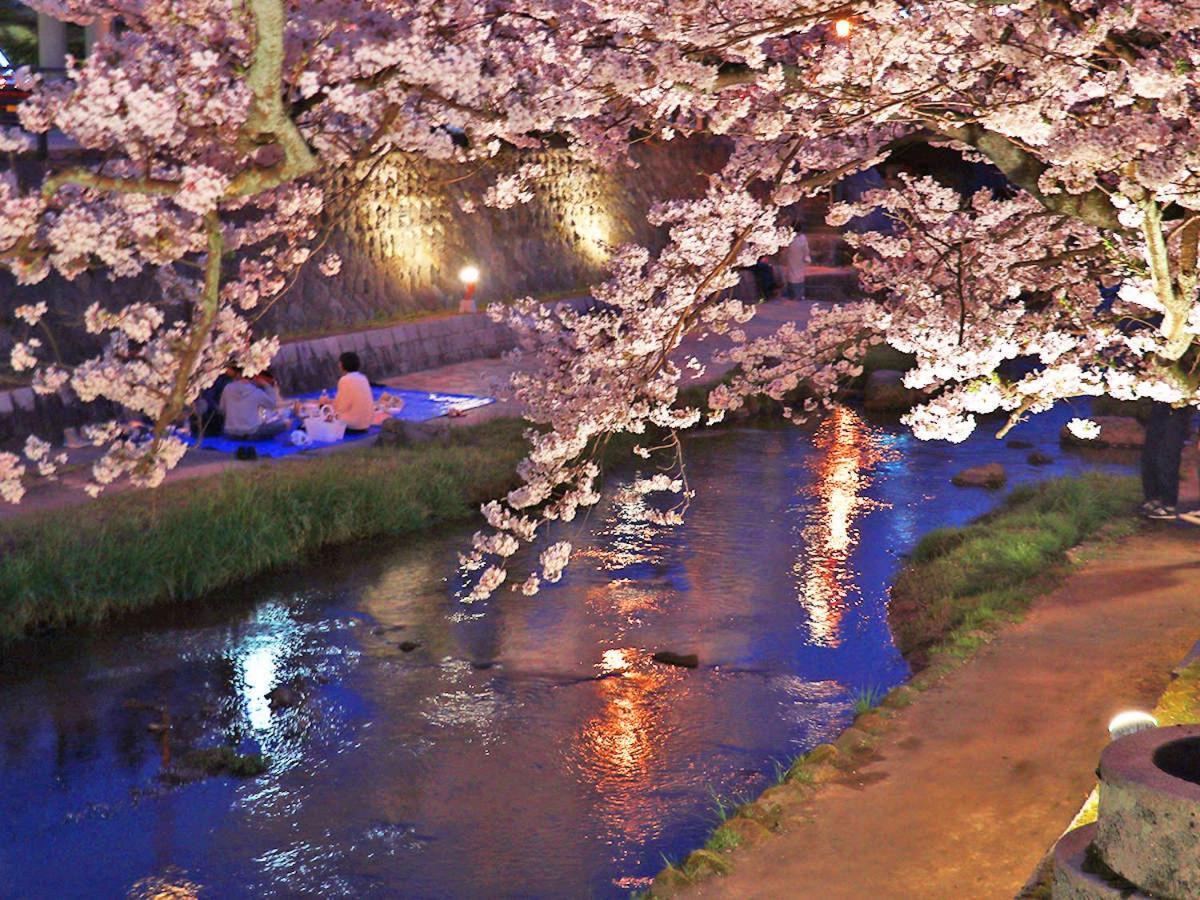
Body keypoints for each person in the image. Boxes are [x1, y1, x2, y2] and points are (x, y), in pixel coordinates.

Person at [1139, 401, 1192, 520]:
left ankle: (1168, 504)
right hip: (1158, 410)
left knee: (1167, 460)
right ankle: (1152, 498)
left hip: (1176, 412)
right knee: (1149, 457)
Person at [220, 369, 289, 441]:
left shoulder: (227, 389)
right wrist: (266, 385)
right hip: (252, 433)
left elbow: (222, 409)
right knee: (285, 423)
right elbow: (273, 404)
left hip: (230, 433)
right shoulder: (256, 392)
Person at [332, 351, 375, 433]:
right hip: (367, 422)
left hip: (353, 424)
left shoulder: (344, 380)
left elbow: (341, 407)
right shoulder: (363, 378)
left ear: (341, 365)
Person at [783, 222, 812, 301]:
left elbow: (806, 249)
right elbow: (806, 249)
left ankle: (795, 295)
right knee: (796, 275)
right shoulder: (801, 237)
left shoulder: (791, 238)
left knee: (794, 275)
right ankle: (797, 295)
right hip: (795, 258)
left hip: (796, 258)